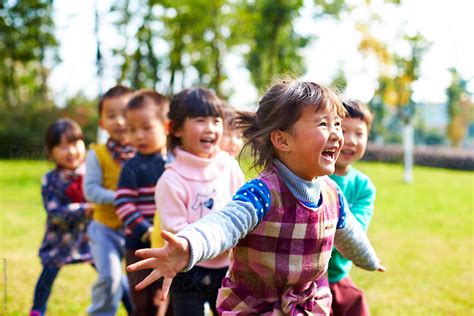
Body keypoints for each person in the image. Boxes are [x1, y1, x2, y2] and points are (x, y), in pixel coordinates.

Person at [127, 81, 385, 315]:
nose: (336, 134)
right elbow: (224, 224)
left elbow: (349, 234)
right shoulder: (262, 192)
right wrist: (188, 245)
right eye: (323, 124)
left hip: (306, 306)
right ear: (282, 140)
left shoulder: (332, 194)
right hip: (255, 308)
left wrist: (371, 260)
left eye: (337, 124)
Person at [150, 88, 245, 316]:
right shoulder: (171, 180)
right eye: (200, 120)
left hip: (228, 269)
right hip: (188, 272)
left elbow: (242, 210)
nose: (211, 128)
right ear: (176, 129)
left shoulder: (228, 166)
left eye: (216, 120)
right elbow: (176, 230)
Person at [115, 90, 171, 316]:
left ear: (166, 126)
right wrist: (146, 230)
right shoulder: (132, 166)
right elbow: (124, 203)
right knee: (143, 301)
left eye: (146, 128)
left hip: (169, 245)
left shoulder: (175, 164)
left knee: (169, 298)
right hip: (138, 245)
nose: (139, 136)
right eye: (132, 130)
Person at [30, 118, 94, 316]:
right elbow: (55, 212)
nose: (71, 151)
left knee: (112, 274)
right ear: (51, 152)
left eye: (75, 144)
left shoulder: (92, 173)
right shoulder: (51, 180)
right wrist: (85, 209)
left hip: (89, 239)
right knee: (47, 276)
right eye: (62, 147)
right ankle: (37, 311)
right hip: (60, 240)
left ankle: (133, 307)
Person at [84, 85, 135, 315]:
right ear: (101, 122)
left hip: (135, 230)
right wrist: (121, 198)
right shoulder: (98, 154)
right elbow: (91, 191)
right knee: (110, 278)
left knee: (139, 281)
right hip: (104, 229)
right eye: (111, 115)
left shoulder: (143, 153)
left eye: (125, 114)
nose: (119, 121)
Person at [327, 100, 376, 316]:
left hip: (336, 276)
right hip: (300, 277)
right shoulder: (311, 175)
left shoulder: (363, 187)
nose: (351, 141)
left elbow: (355, 230)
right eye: (343, 130)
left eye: (360, 134)